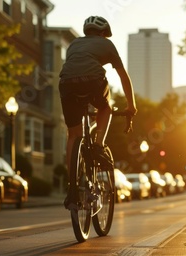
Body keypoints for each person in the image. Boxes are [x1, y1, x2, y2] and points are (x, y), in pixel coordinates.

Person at [59, 16, 137, 209]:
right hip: (93, 81)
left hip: (66, 85)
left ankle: (72, 186)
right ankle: (99, 145)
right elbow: (124, 77)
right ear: (103, 33)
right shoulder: (106, 44)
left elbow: (75, 69)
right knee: (105, 107)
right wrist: (131, 106)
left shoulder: (73, 44)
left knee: (73, 134)